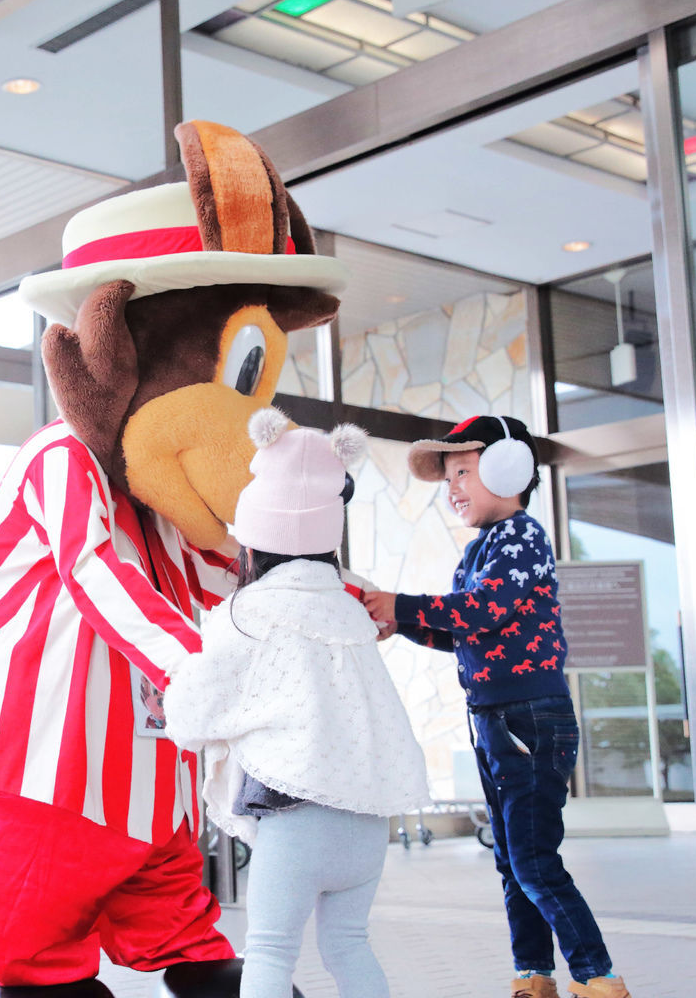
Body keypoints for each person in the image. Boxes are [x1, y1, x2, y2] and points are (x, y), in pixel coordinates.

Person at [363, 415, 633, 998]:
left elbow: (484, 610)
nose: (453, 486)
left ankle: (598, 977)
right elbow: (462, 630)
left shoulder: (522, 537)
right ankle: (534, 975)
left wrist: (403, 602)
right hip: (496, 721)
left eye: (463, 470)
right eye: (449, 476)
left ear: (509, 470)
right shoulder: (482, 547)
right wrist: (400, 621)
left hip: (528, 719)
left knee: (534, 860)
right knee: (513, 862)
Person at [163, 407, 429, 998]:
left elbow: (191, 717)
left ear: (253, 543)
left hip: (296, 820)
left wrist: (178, 677)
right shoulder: (349, 614)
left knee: (269, 954)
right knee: (349, 947)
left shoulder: (244, 615)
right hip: (366, 822)